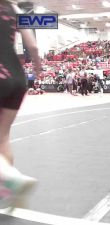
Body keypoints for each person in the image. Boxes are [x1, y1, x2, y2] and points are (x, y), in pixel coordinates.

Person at [0, 1, 38, 209]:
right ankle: (6, 193)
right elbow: (33, 46)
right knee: (3, 136)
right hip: (17, 76)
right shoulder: (15, 9)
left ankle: (12, 180)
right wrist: (39, 69)